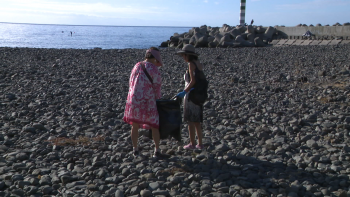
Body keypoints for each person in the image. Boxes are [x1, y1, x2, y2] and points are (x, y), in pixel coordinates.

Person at [123, 47, 163, 157]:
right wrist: (158, 99)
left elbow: (131, 82)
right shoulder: (154, 70)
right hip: (149, 100)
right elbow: (157, 87)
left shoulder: (137, 66)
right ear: (155, 58)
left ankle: (135, 149)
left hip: (134, 99)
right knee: (154, 125)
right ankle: (157, 150)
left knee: (134, 125)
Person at [176, 44, 204, 150]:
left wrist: (184, 91)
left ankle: (192, 143)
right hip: (199, 95)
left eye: (184, 55)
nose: (183, 57)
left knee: (190, 120)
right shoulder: (199, 64)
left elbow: (193, 81)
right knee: (197, 121)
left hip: (191, 95)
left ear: (188, 55)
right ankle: (200, 144)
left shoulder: (191, 64)